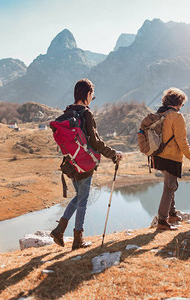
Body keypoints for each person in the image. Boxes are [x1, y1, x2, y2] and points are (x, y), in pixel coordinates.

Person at [50, 78, 123, 250]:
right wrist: (113, 155)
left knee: (79, 196)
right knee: (83, 200)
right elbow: (96, 142)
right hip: (84, 164)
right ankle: (77, 240)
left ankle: (59, 230)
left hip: (71, 163)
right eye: (92, 95)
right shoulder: (86, 113)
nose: (92, 98)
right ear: (88, 94)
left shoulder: (68, 112)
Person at [153, 88, 190, 230]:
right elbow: (182, 141)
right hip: (171, 157)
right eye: (182, 104)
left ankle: (172, 213)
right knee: (169, 187)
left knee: (170, 185)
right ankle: (162, 221)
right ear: (177, 102)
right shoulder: (177, 117)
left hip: (159, 155)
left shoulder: (160, 113)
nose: (181, 107)